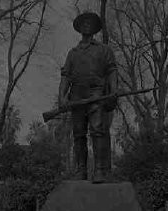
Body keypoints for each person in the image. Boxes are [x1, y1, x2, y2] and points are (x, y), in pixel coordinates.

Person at [58, 12, 117, 183]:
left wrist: (114, 90)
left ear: (95, 28)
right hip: (76, 95)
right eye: (84, 22)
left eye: (90, 23)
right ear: (79, 27)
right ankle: (81, 170)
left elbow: (112, 70)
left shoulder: (104, 50)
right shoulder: (73, 53)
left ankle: (99, 170)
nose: (86, 25)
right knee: (78, 134)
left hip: (96, 93)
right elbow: (66, 76)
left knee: (98, 130)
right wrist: (61, 96)